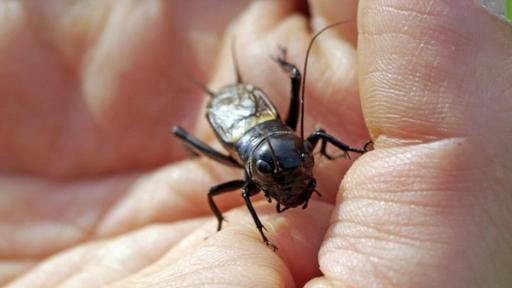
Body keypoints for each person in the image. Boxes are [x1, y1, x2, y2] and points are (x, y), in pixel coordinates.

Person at [2, 0, 511, 287]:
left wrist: (344, 148)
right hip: (235, 126)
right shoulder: (246, 184)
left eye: (300, 169)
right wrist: (227, 220)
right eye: (286, 178)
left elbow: (305, 142)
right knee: (205, 175)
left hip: (259, 119)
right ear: (254, 173)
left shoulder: (297, 142)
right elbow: (229, 194)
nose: (294, 183)